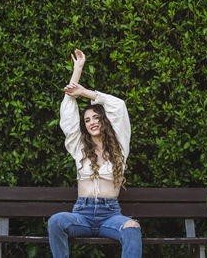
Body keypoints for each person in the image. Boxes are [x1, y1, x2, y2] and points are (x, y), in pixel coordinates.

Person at [47, 49, 142, 258]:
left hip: (111, 215)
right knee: (55, 221)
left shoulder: (120, 147)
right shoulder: (79, 147)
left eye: (96, 117)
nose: (92, 122)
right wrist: (77, 70)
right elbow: (67, 112)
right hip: (81, 214)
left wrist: (85, 93)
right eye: (87, 120)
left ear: (104, 121)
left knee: (132, 228)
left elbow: (119, 106)